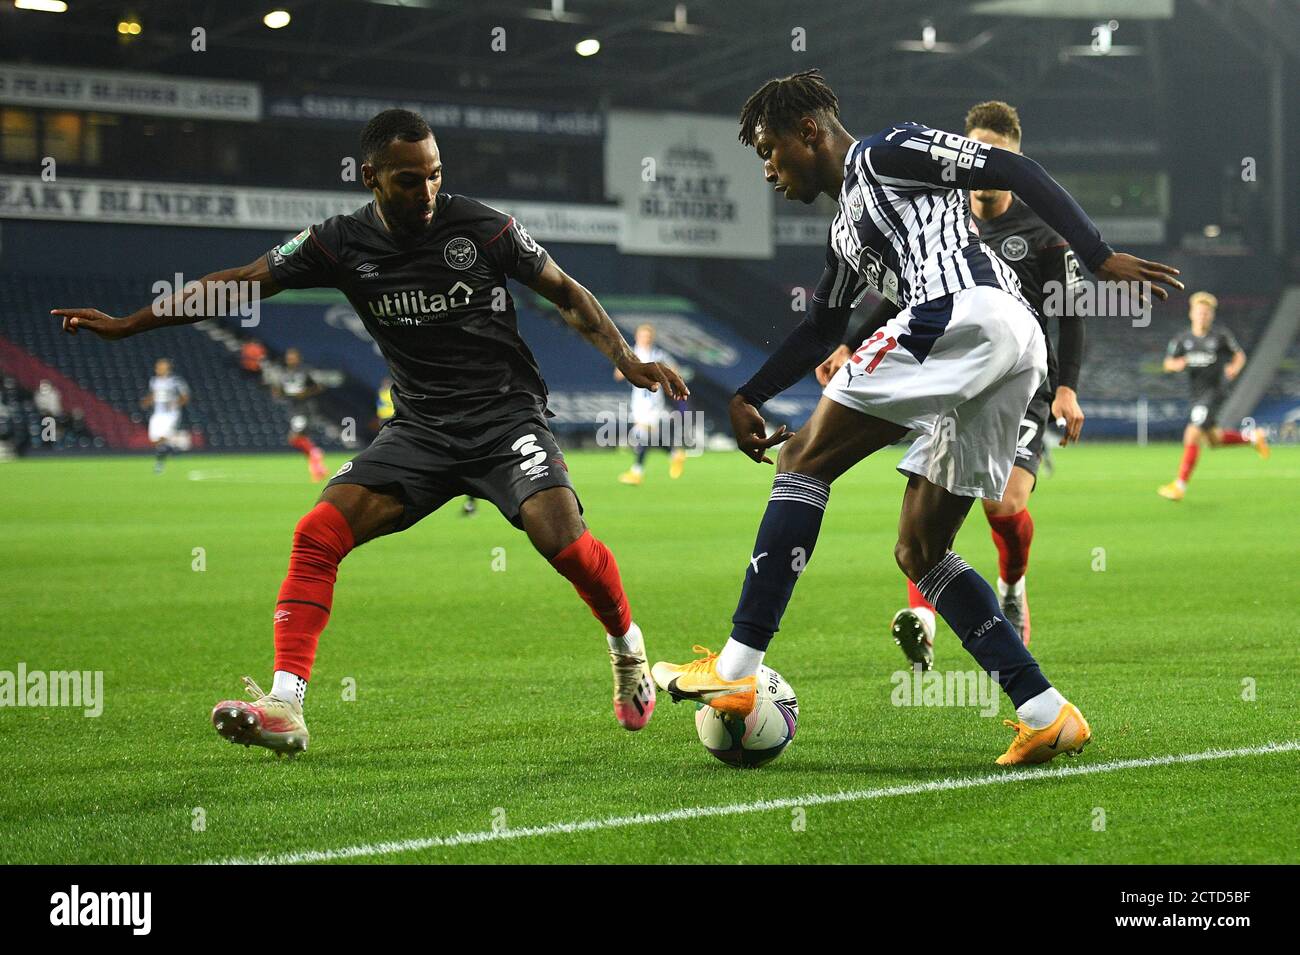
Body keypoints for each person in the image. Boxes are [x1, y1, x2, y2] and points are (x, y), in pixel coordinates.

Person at [52, 108, 686, 754]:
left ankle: (626, 646)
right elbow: (240, 283)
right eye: (410, 181)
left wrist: (624, 357)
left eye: (436, 176)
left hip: (505, 419)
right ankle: (285, 703)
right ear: (370, 178)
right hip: (421, 430)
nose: (428, 192)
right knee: (317, 532)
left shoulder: (484, 228)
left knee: (565, 544)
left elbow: (567, 291)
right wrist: (130, 324)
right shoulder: (338, 242)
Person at [652, 70, 1181, 765]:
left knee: (802, 460)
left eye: (768, 149)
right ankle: (1046, 711)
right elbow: (820, 328)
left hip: (966, 312)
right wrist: (748, 393)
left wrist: (1096, 251)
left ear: (808, 131)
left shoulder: (886, 150)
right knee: (920, 548)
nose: (769, 169)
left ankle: (738, 666)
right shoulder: (847, 231)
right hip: (1007, 345)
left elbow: (1008, 164)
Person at [817, 100, 1085, 661]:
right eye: (980, 152)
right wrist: (847, 342)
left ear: (1013, 159)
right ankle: (922, 616)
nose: (987, 166)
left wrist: (1068, 387)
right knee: (931, 494)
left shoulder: (1041, 229)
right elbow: (907, 292)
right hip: (952, 367)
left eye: (1000, 157)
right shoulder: (941, 216)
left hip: (1023, 381)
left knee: (1004, 506)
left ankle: (1012, 587)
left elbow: (1071, 312)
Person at [1158, 291, 1268, 500]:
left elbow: (1239, 355)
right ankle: (1253, 437)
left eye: (1207, 313)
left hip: (1215, 392)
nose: (1203, 316)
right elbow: (1167, 363)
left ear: (1212, 315)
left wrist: (1234, 368)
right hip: (1196, 395)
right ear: (1192, 313)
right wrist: (1176, 365)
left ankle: (1179, 486)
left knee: (1192, 433)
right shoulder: (1182, 339)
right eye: (1199, 312)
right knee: (1214, 440)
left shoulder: (1220, 337)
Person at [615, 323, 687, 484]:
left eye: (647, 336)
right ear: (636, 336)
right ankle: (675, 454)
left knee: (641, 434)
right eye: (642, 336)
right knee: (649, 437)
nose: (645, 339)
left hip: (652, 399)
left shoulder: (658, 355)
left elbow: (675, 371)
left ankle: (637, 472)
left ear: (651, 338)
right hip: (637, 399)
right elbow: (618, 375)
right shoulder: (630, 354)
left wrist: (664, 376)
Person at [269, 347, 328, 482]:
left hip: (304, 408)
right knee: (300, 439)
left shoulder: (306, 371)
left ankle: (315, 453)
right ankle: (317, 467)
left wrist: (305, 393)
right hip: (293, 408)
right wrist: (277, 392)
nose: (291, 359)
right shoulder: (284, 373)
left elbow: (319, 386)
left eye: (293, 357)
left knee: (294, 438)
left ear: (298, 358)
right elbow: (281, 390)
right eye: (289, 357)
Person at [140, 358, 189, 473]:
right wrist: (146, 401)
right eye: (158, 367)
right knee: (155, 440)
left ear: (168, 368)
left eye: (161, 366)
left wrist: (176, 404)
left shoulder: (175, 381)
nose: (158, 369)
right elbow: (153, 395)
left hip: (171, 414)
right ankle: (173, 448)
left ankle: (159, 464)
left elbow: (185, 397)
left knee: (162, 437)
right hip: (158, 414)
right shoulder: (153, 381)